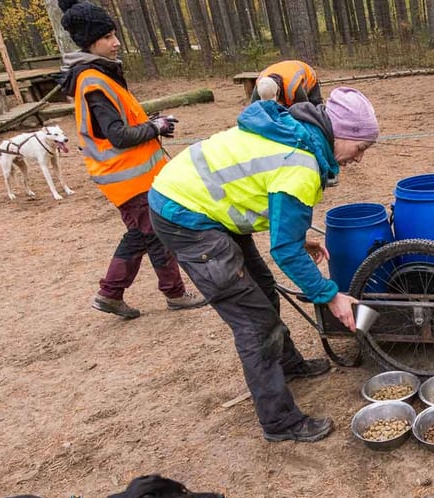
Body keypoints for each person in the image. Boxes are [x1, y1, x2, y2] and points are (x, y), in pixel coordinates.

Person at [148, 88, 379, 443]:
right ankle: (279, 421)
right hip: (185, 215)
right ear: (341, 133)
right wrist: (330, 295)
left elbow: (265, 191)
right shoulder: (301, 163)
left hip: (205, 205)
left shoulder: (299, 135)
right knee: (253, 322)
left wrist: (298, 238)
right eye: (360, 147)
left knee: (262, 287)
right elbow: (284, 251)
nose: (359, 158)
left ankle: (288, 364)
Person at [58, 0, 205, 319]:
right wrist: (155, 127)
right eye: (107, 36)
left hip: (128, 176)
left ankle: (110, 294)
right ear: (89, 41)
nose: (116, 42)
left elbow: (118, 124)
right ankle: (175, 294)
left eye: (114, 34)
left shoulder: (99, 75)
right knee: (157, 233)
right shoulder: (93, 81)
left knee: (140, 235)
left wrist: (151, 122)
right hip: (128, 177)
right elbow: (117, 135)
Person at [251, 60, 323, 107]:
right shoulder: (260, 85)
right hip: (283, 70)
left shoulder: (293, 86)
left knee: (315, 108)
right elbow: (254, 109)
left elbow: (305, 109)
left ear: (278, 91)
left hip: (308, 75)